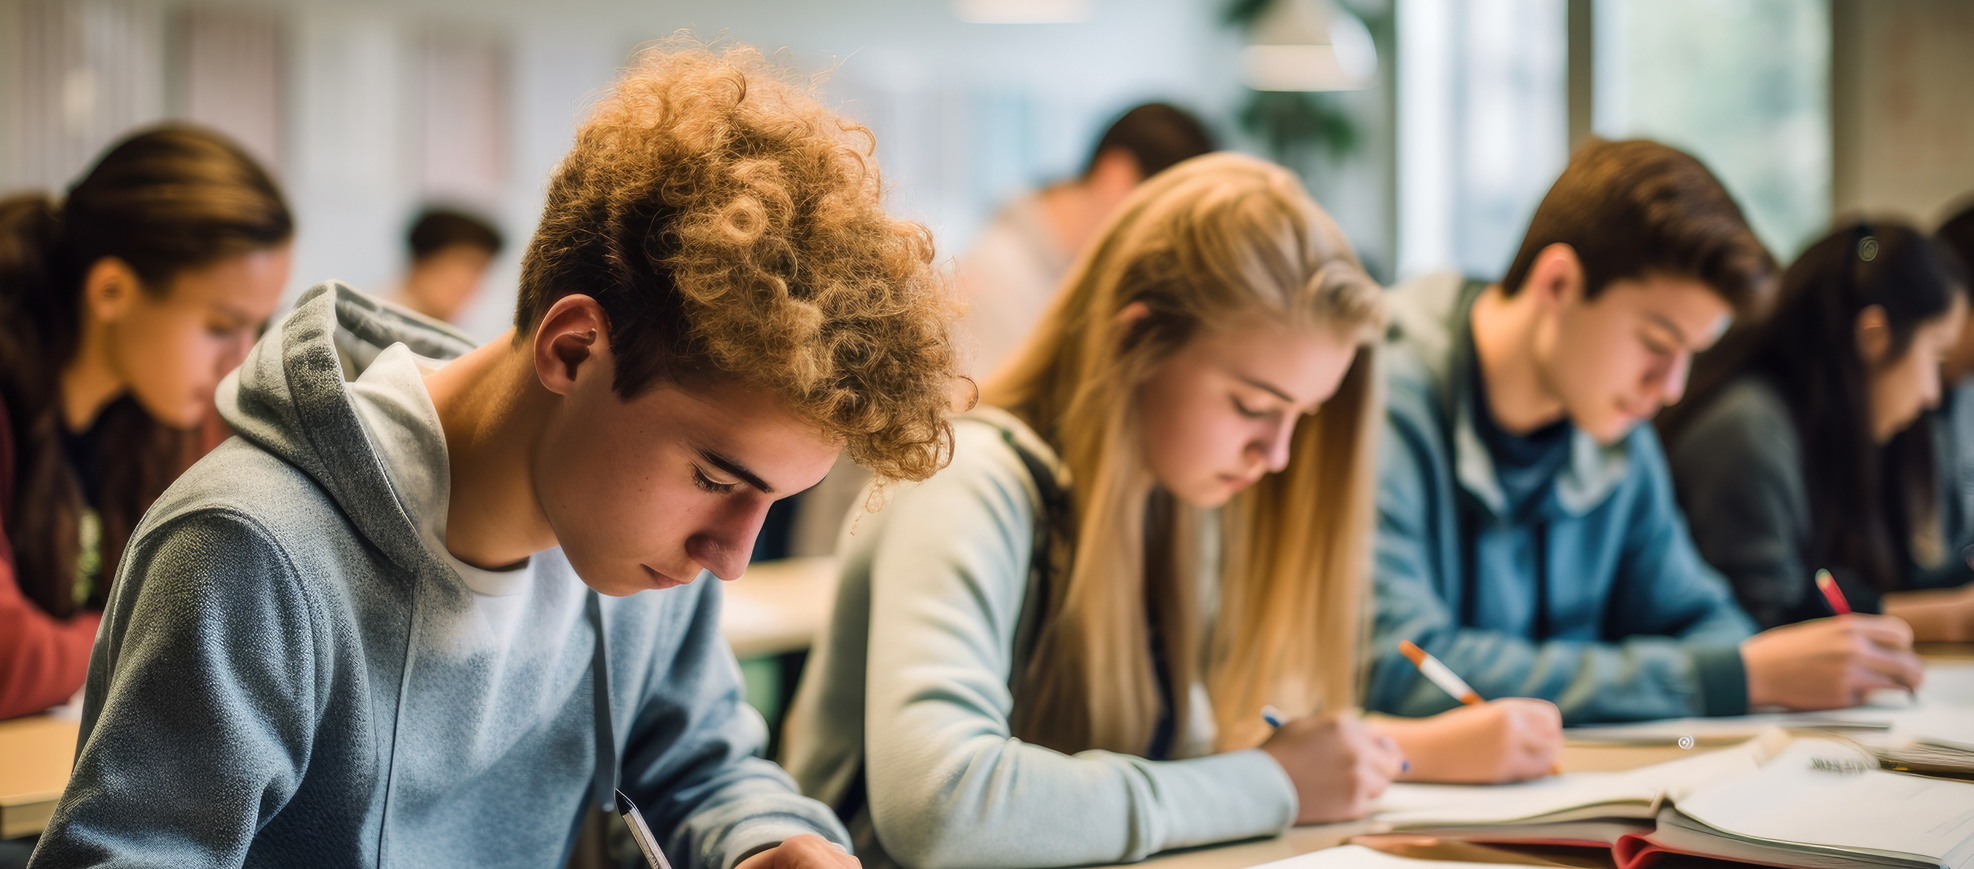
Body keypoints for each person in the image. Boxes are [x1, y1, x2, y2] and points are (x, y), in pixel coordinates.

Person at [29, 41, 960, 869]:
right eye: (718, 479)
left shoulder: (634, 556)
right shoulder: (252, 551)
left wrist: (763, 840)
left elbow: (698, 761)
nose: (731, 555)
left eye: (771, 500)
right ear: (573, 350)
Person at [781, 153, 1564, 869]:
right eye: (1254, 405)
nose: (1279, 455)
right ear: (1137, 341)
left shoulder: (1173, 501)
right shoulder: (970, 481)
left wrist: (1388, 750)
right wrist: (1273, 782)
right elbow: (946, 804)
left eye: (1304, 416)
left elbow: (1196, 752)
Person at [1365, 138, 1927, 725]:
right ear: (1557, 285)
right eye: (1657, 344)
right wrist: (1718, 678)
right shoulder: (1385, 400)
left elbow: (1709, 623)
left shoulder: (1612, 428)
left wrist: (1720, 670)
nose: (1671, 387)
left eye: (1691, 353)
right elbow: (1405, 665)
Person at [0, 124, 292, 722]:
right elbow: (8, 659)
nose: (238, 360)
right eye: (218, 326)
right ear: (111, 291)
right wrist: (131, 641)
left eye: (255, 329)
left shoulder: (170, 417)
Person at [1662, 223, 1972, 637]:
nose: (1934, 395)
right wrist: (1948, 619)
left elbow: (1835, 587)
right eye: (1935, 357)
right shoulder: (1747, 429)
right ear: (1874, 337)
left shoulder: (1814, 424)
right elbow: (1767, 618)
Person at [953, 102, 1214, 380]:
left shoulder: (1081, 265)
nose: (1161, 239)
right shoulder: (994, 271)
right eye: (1163, 215)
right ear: (1117, 176)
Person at [391, 206, 504, 323]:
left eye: (480, 270)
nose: (469, 282)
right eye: (462, 263)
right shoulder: (379, 323)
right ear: (422, 260)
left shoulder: (444, 331)